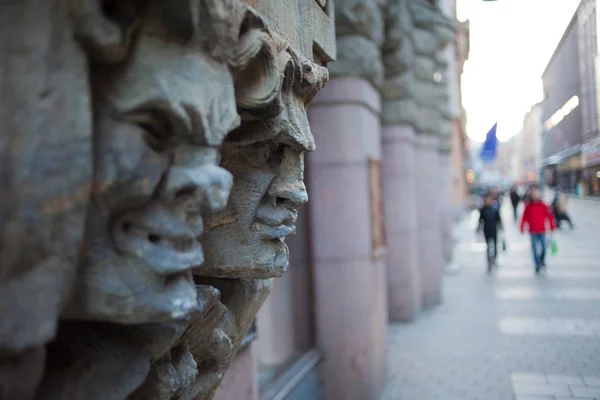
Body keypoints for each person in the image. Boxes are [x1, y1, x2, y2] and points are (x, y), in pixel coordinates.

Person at [520, 184, 556, 273]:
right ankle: (537, 264)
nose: (534, 194)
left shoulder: (543, 205)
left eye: (536, 192)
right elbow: (524, 217)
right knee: (535, 249)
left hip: (542, 230)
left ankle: (542, 260)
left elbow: (550, 216)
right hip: (532, 231)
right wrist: (522, 226)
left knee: (544, 247)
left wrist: (551, 226)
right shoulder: (528, 206)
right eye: (533, 192)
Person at [477, 192, 503, 273]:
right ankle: (489, 260)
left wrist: (501, 226)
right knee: (488, 246)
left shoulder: (495, 209)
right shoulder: (483, 210)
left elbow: (499, 219)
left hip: (494, 229)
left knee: (495, 245)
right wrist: (478, 228)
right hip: (487, 230)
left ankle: (494, 258)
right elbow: (480, 220)